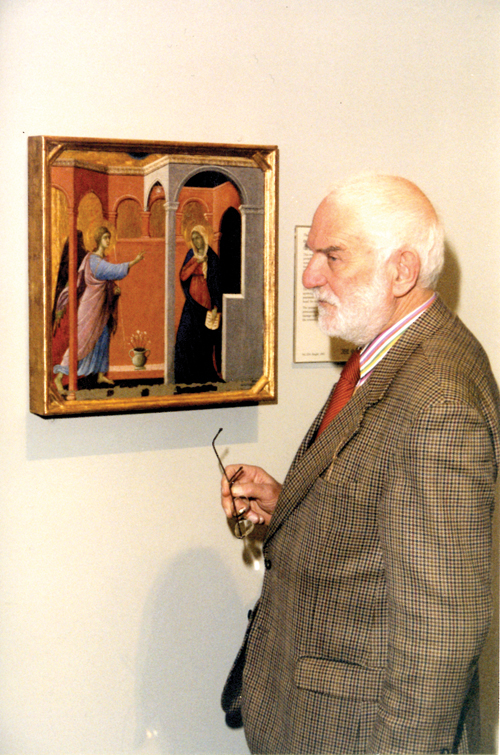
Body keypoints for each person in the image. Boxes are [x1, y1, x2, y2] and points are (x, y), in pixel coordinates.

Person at [220, 174, 500, 754]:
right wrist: (286, 501)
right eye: (312, 255)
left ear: (400, 271)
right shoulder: (385, 354)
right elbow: (377, 519)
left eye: (332, 256)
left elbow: (437, 642)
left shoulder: (438, 398)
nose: (308, 276)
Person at [53, 226, 144, 394]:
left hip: (100, 307)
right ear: (97, 241)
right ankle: (59, 378)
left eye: (109, 237)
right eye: (105, 238)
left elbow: (104, 279)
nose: (108, 241)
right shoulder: (94, 260)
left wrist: (113, 289)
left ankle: (100, 373)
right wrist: (134, 261)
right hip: (90, 307)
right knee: (80, 342)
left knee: (102, 337)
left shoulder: (98, 258)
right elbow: (111, 271)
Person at [174, 225, 222, 384]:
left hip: (206, 306)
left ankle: (203, 377)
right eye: (193, 238)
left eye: (198, 237)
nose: (196, 241)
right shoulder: (191, 255)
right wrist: (197, 261)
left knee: (204, 343)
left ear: (204, 237)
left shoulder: (212, 257)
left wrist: (215, 307)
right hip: (192, 305)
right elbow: (183, 275)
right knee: (184, 338)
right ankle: (185, 376)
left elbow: (217, 284)